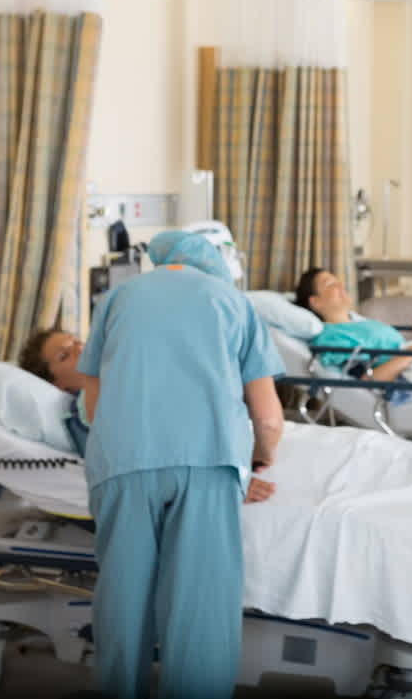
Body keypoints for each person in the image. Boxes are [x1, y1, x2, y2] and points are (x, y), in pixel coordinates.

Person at [77, 230, 286, 699]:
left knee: (122, 599)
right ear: (212, 262)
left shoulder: (117, 298)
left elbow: (94, 404)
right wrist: (257, 460)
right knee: (200, 610)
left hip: (122, 462)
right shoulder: (232, 303)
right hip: (209, 464)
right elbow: (268, 419)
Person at [18, 328, 276, 504]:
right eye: (65, 355)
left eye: (76, 340)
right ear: (57, 384)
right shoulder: (84, 412)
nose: (80, 348)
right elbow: (141, 461)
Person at [296, 267, 412, 382]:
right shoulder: (332, 337)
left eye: (338, 281)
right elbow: (367, 381)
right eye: (330, 284)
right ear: (315, 301)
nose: (341, 285)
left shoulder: (363, 324)